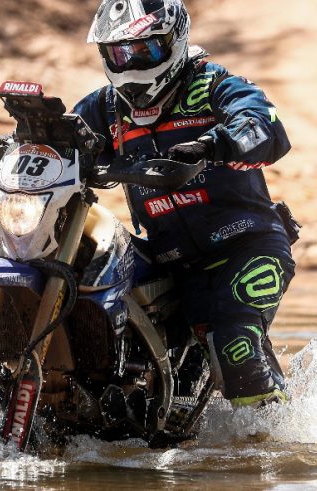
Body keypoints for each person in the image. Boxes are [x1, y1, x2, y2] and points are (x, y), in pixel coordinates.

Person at [73, 0, 296, 408]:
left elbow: (265, 125)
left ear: (174, 41)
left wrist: (213, 144)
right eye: (120, 53)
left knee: (233, 344)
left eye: (144, 49)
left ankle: (273, 437)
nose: (131, 63)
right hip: (169, 259)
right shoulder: (105, 108)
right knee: (85, 284)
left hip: (246, 247)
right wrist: (19, 142)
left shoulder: (212, 84)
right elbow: (62, 140)